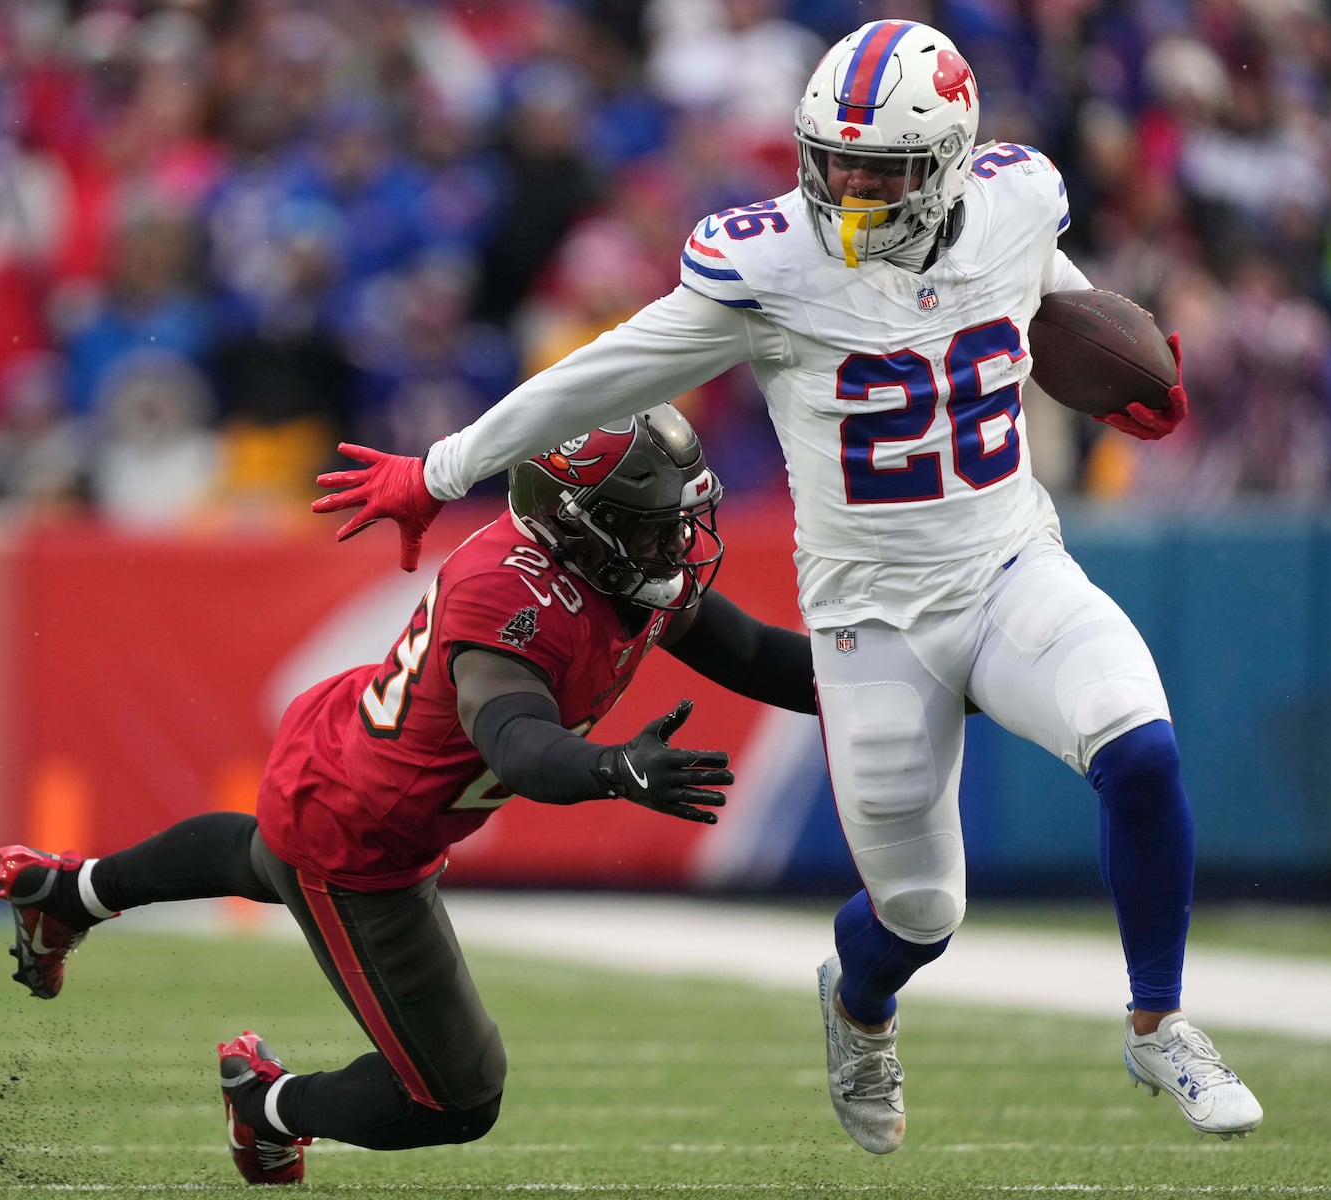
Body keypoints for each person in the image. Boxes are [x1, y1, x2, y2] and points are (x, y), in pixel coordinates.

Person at [310, 19, 1261, 1154]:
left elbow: (1053, 301)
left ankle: (1158, 1023)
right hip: (867, 619)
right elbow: (602, 372)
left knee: (1139, 751)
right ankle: (858, 1008)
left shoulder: (1016, 202)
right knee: (919, 914)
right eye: (832, 159)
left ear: (948, 162)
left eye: (878, 168)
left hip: (1011, 567)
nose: (847, 187)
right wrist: (440, 470)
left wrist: (1128, 376)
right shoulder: (769, 266)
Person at [0, 403, 821, 1185]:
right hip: (365, 834)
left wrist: (873, 692)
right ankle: (267, 1106)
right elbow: (515, 742)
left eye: (677, 518)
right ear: (577, 522)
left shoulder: (608, 563)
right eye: (650, 524)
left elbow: (749, 651)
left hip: (350, 754)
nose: (675, 541)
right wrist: (613, 769)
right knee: (456, 1098)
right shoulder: (516, 596)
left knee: (266, 856)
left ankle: (69, 894)